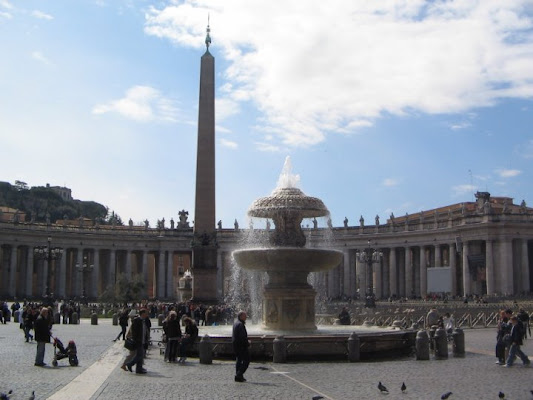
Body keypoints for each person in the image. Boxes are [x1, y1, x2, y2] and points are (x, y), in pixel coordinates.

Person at [125, 308, 149, 374]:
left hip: (143, 340)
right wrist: (136, 339)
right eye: (146, 313)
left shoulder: (143, 320)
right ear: (143, 314)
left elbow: (145, 331)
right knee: (140, 355)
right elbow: (134, 331)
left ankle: (139, 369)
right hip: (139, 340)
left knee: (140, 355)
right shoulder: (137, 320)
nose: (147, 314)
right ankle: (129, 364)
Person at [232, 311, 250, 382]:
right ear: (241, 316)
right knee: (247, 360)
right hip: (241, 346)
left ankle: (239, 376)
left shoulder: (236, 323)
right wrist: (247, 344)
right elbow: (242, 337)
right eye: (245, 316)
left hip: (236, 345)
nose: (246, 317)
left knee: (239, 360)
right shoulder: (240, 324)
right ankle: (239, 374)